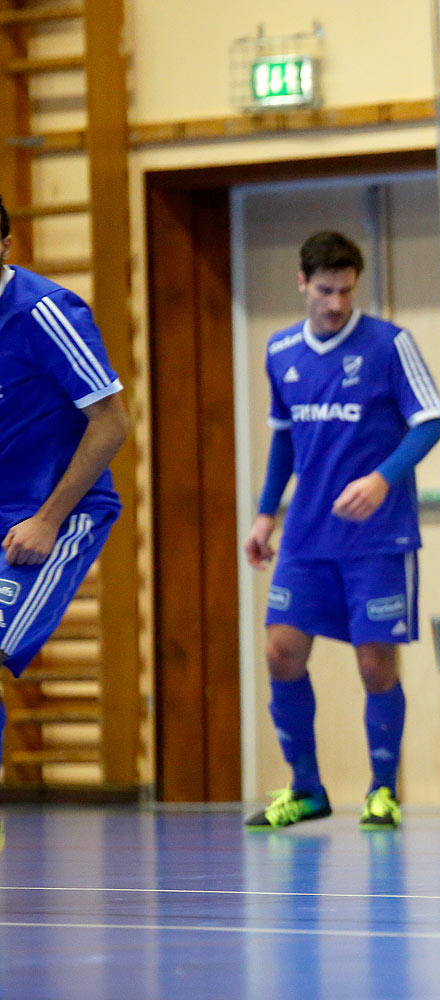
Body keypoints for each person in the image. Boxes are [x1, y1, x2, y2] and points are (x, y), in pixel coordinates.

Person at [242, 231, 440, 832]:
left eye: (346, 291)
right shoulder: (280, 351)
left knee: (374, 666)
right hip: (306, 537)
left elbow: (430, 421)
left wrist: (383, 479)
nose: (335, 303)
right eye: (325, 290)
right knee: (281, 652)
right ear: (302, 283)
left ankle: (383, 791)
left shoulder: (389, 344)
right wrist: (264, 513)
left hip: (377, 540)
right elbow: (284, 437)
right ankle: (306, 789)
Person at [0, 194, 131, 806]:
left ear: (4, 247)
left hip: (53, 514)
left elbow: (112, 422)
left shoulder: (47, 313)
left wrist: (48, 520)